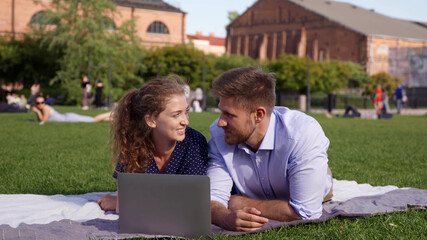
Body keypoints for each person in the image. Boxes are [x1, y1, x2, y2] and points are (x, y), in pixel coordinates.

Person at [207, 67, 332, 231]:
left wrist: (239, 202)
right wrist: (225, 218)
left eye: (229, 115)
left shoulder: (301, 134)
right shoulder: (220, 135)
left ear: (258, 115)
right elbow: (212, 199)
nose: (220, 122)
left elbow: (307, 212)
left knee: (320, 181)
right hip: (269, 190)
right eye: (221, 112)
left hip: (313, 183)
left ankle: (325, 175)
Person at [97, 76, 209, 213]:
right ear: (151, 120)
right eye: (176, 115)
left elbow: (192, 201)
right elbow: (124, 205)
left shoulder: (195, 142)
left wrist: (121, 202)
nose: (185, 121)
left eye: (186, 112)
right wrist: (122, 202)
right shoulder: (133, 143)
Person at [32, 95, 112, 122]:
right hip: (67, 117)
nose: (40, 104)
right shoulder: (43, 109)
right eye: (38, 103)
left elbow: (44, 120)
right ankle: (113, 119)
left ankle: (111, 113)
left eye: (42, 102)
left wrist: (37, 112)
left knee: (93, 120)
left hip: (69, 118)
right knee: (92, 119)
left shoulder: (45, 108)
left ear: (44, 102)